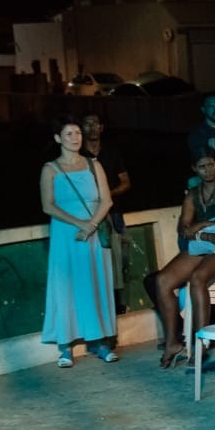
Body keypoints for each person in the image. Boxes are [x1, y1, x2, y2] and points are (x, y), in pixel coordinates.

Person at [153, 153, 215, 368]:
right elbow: (184, 229)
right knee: (162, 281)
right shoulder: (193, 194)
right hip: (206, 242)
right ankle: (172, 343)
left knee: (198, 277)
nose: (208, 170)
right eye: (202, 166)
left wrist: (200, 227)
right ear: (195, 169)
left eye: (211, 164)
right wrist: (205, 230)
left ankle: (202, 343)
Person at [40, 115, 118, 367]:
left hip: (93, 233)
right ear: (58, 139)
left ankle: (100, 342)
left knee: (95, 284)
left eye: (78, 133)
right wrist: (80, 224)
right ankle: (65, 347)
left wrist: (91, 225)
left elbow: (107, 200)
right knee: (66, 286)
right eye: (69, 134)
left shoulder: (93, 165)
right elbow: (48, 206)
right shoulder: (50, 169)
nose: (75, 138)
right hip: (66, 235)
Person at [81, 113, 130, 314]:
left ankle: (119, 305)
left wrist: (106, 195)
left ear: (101, 128)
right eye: (87, 124)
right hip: (89, 216)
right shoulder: (78, 154)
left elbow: (126, 183)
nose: (92, 127)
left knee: (120, 260)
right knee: (94, 263)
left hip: (114, 213)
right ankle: (98, 305)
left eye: (96, 124)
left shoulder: (111, 151)